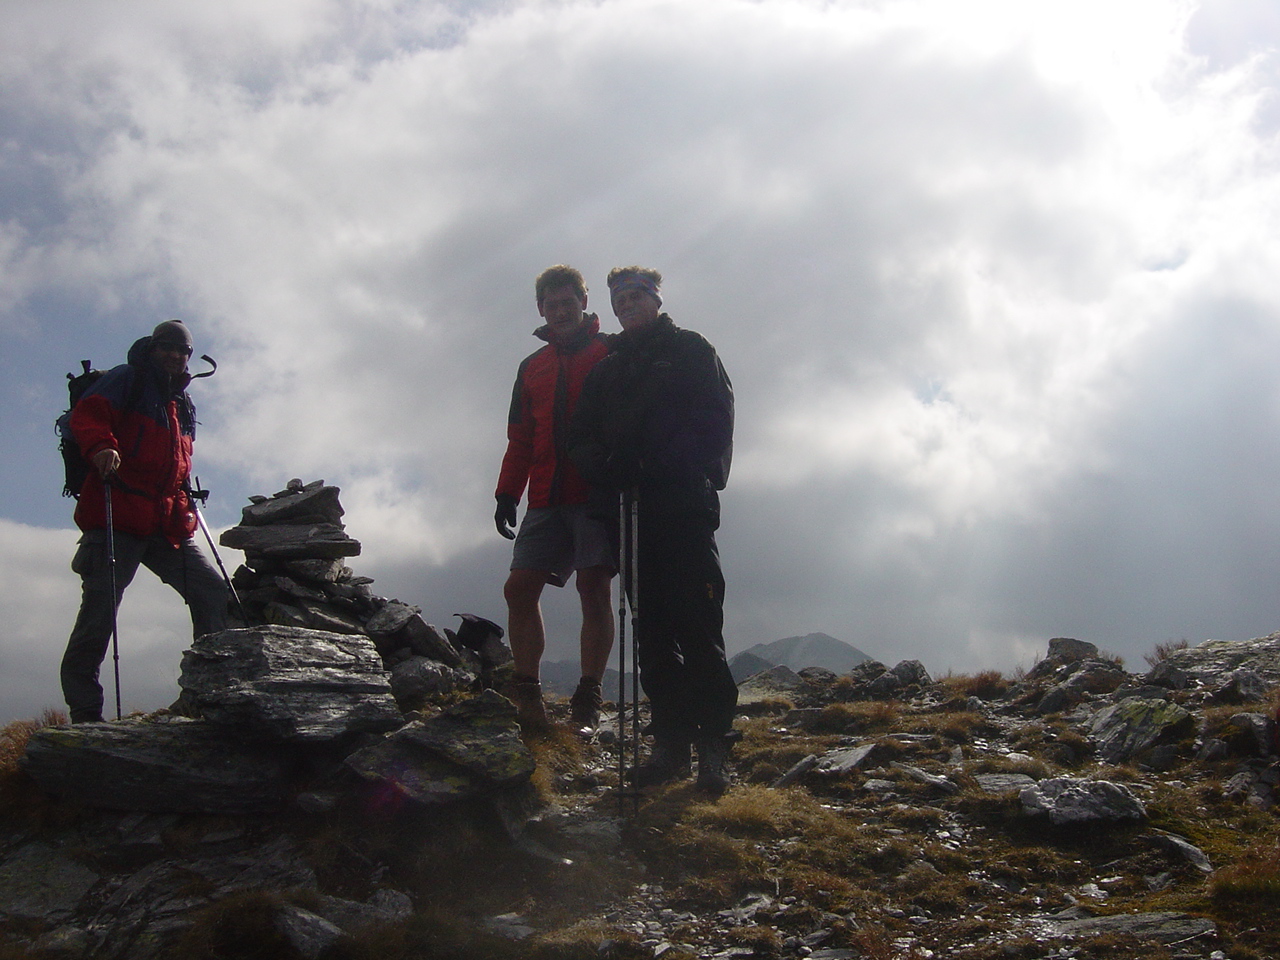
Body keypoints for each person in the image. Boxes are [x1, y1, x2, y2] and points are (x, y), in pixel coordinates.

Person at [569, 266, 737, 793]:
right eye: (619, 301)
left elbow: (714, 421)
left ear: (656, 300)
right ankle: (670, 744)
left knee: (698, 624)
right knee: (653, 632)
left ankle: (712, 745)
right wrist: (607, 469)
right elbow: (581, 437)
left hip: (682, 507)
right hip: (630, 515)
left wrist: (658, 466)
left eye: (636, 297)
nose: (627, 307)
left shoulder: (691, 350)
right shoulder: (608, 370)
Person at [61, 320, 228, 723]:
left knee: (214, 594)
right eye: (167, 347)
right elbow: (88, 416)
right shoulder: (127, 380)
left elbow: (174, 460)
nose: (175, 355)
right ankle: (86, 714)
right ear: (153, 349)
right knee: (98, 616)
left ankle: (212, 693)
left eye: (182, 350)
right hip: (115, 517)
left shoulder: (180, 402)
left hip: (166, 523)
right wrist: (102, 446)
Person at [494, 265, 616, 733]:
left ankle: (587, 698)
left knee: (594, 588)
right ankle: (528, 697)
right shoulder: (532, 367)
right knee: (519, 587)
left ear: (584, 303)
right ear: (541, 308)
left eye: (569, 302)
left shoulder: (610, 351)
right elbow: (521, 437)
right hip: (544, 495)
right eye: (552, 304)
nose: (561, 310)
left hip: (595, 493)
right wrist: (508, 492)